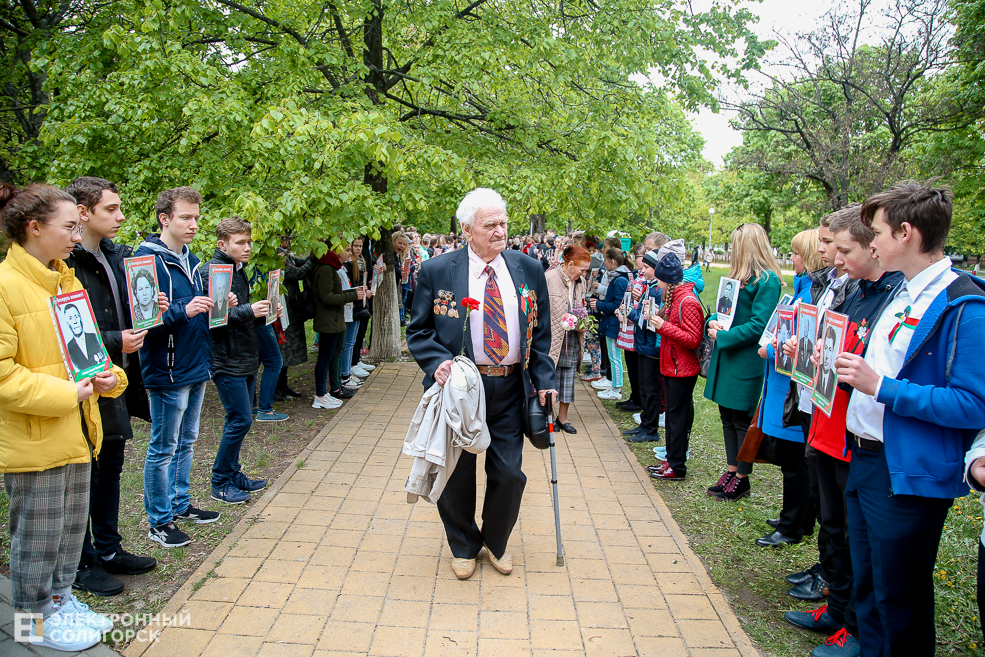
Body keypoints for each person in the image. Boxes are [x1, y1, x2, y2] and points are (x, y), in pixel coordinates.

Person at [837, 181, 985, 656]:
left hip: (905, 474)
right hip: (864, 459)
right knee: (868, 589)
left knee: (900, 599)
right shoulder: (901, 291)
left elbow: (972, 404)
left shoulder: (965, 304)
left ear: (906, 233)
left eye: (875, 232)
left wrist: (882, 387)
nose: (871, 242)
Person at [406, 187, 556, 580]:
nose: (499, 231)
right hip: (459, 391)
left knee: (509, 474)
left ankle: (496, 541)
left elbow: (540, 335)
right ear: (467, 229)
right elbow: (419, 330)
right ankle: (463, 545)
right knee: (456, 474)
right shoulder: (438, 271)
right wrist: (438, 363)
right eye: (490, 224)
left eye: (503, 223)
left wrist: (544, 380)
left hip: (509, 388)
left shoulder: (528, 269)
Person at [0, 183, 126, 650]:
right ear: (34, 228)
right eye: (69, 226)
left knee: (70, 532)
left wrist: (108, 377)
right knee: (37, 538)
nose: (77, 236)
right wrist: (68, 393)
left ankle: (59, 601)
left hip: (76, 432)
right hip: (35, 440)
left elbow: (87, 351)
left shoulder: (65, 280)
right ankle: (31, 624)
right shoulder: (5, 287)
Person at [784, 206, 903, 655]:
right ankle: (836, 609)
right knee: (833, 526)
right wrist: (806, 351)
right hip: (827, 424)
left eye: (840, 247)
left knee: (856, 537)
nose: (830, 256)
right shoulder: (853, 291)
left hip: (856, 436)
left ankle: (853, 624)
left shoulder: (892, 296)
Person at [65, 176, 159, 597]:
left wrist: (148, 308)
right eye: (111, 209)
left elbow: (126, 310)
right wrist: (115, 339)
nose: (121, 217)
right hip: (85, 387)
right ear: (82, 212)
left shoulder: (114, 256)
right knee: (88, 472)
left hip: (117, 382)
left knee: (111, 468)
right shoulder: (67, 265)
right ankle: (82, 561)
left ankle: (108, 548)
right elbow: (67, 332)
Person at [135, 186, 222, 548]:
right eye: (186, 217)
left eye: (197, 218)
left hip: (195, 362)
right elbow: (142, 319)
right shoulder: (146, 260)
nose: (193, 224)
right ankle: (159, 520)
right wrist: (180, 311)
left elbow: (202, 310)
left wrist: (221, 304)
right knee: (164, 446)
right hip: (168, 367)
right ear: (164, 218)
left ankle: (180, 504)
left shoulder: (192, 259)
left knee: (186, 441)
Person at [704, 223, 782, 501]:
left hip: (746, 360)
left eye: (737, 244)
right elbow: (726, 313)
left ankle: (742, 477)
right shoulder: (740, 278)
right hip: (729, 358)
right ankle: (731, 469)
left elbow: (760, 324)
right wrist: (712, 322)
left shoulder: (768, 281)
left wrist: (724, 336)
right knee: (727, 417)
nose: (733, 248)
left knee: (741, 420)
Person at [205, 217, 276, 507]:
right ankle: (219, 481)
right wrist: (251, 310)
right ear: (223, 245)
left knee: (239, 420)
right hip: (227, 359)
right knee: (241, 419)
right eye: (240, 243)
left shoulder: (237, 269)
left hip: (244, 357)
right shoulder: (217, 270)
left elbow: (238, 313)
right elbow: (216, 318)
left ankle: (233, 473)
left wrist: (263, 310)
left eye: (249, 241)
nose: (247, 247)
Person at [646, 253, 704, 480]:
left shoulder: (687, 301)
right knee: (671, 417)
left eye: (659, 280)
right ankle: (671, 459)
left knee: (677, 419)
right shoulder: (674, 298)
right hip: (671, 366)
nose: (656, 284)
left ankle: (678, 465)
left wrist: (663, 327)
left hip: (683, 369)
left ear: (668, 280)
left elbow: (693, 339)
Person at [311, 244, 361, 409]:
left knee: (332, 355)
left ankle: (330, 390)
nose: (349, 253)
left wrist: (354, 294)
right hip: (327, 320)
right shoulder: (325, 269)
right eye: (346, 250)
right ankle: (320, 395)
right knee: (324, 358)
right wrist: (353, 295)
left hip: (334, 320)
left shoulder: (332, 268)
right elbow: (327, 297)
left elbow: (336, 294)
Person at [545, 245, 589, 433]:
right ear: (570, 264)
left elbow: (582, 305)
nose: (584, 273)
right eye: (582, 269)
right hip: (553, 335)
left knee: (568, 376)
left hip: (572, 335)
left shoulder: (582, 282)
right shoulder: (549, 278)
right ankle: (547, 417)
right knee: (549, 375)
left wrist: (583, 322)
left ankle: (563, 418)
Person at [591, 248, 631, 401]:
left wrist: (600, 305)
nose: (605, 264)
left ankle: (616, 388)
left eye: (606, 261)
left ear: (613, 262)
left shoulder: (620, 280)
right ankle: (613, 382)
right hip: (610, 322)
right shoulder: (617, 278)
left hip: (614, 322)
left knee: (614, 356)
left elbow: (616, 304)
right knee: (611, 354)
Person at [62, 304, 107, 371]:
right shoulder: (69, 346)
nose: (75, 321)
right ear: (67, 323)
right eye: (70, 318)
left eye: (76, 316)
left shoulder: (94, 337)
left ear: (80, 317)